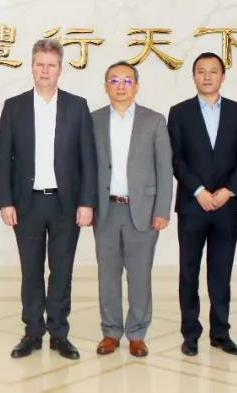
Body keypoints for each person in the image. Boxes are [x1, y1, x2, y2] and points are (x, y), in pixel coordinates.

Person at [0, 38, 96, 360]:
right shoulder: (14, 106)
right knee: (31, 271)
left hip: (66, 204)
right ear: (32, 67)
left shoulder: (77, 106)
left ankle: (59, 333)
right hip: (27, 204)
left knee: (62, 271)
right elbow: (3, 157)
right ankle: (32, 332)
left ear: (60, 69)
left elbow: (88, 159)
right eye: (39, 64)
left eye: (51, 65)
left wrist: (87, 202)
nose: (44, 71)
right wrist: (5, 201)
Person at [168, 51, 237, 357]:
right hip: (193, 205)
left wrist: (228, 190)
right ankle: (190, 333)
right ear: (193, 76)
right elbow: (176, 157)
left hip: (226, 206)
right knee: (189, 271)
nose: (207, 76)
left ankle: (220, 332)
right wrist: (199, 191)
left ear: (222, 76)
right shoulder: (179, 112)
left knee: (221, 271)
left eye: (213, 71)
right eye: (201, 71)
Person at [90, 61, 172, 358]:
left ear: (136, 86)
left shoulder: (154, 121)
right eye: (114, 80)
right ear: (106, 86)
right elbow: (84, 167)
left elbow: (165, 169)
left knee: (140, 275)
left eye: (127, 80)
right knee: (108, 276)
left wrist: (162, 210)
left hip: (144, 211)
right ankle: (110, 332)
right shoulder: (94, 120)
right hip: (106, 210)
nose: (121, 86)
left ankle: (137, 333)